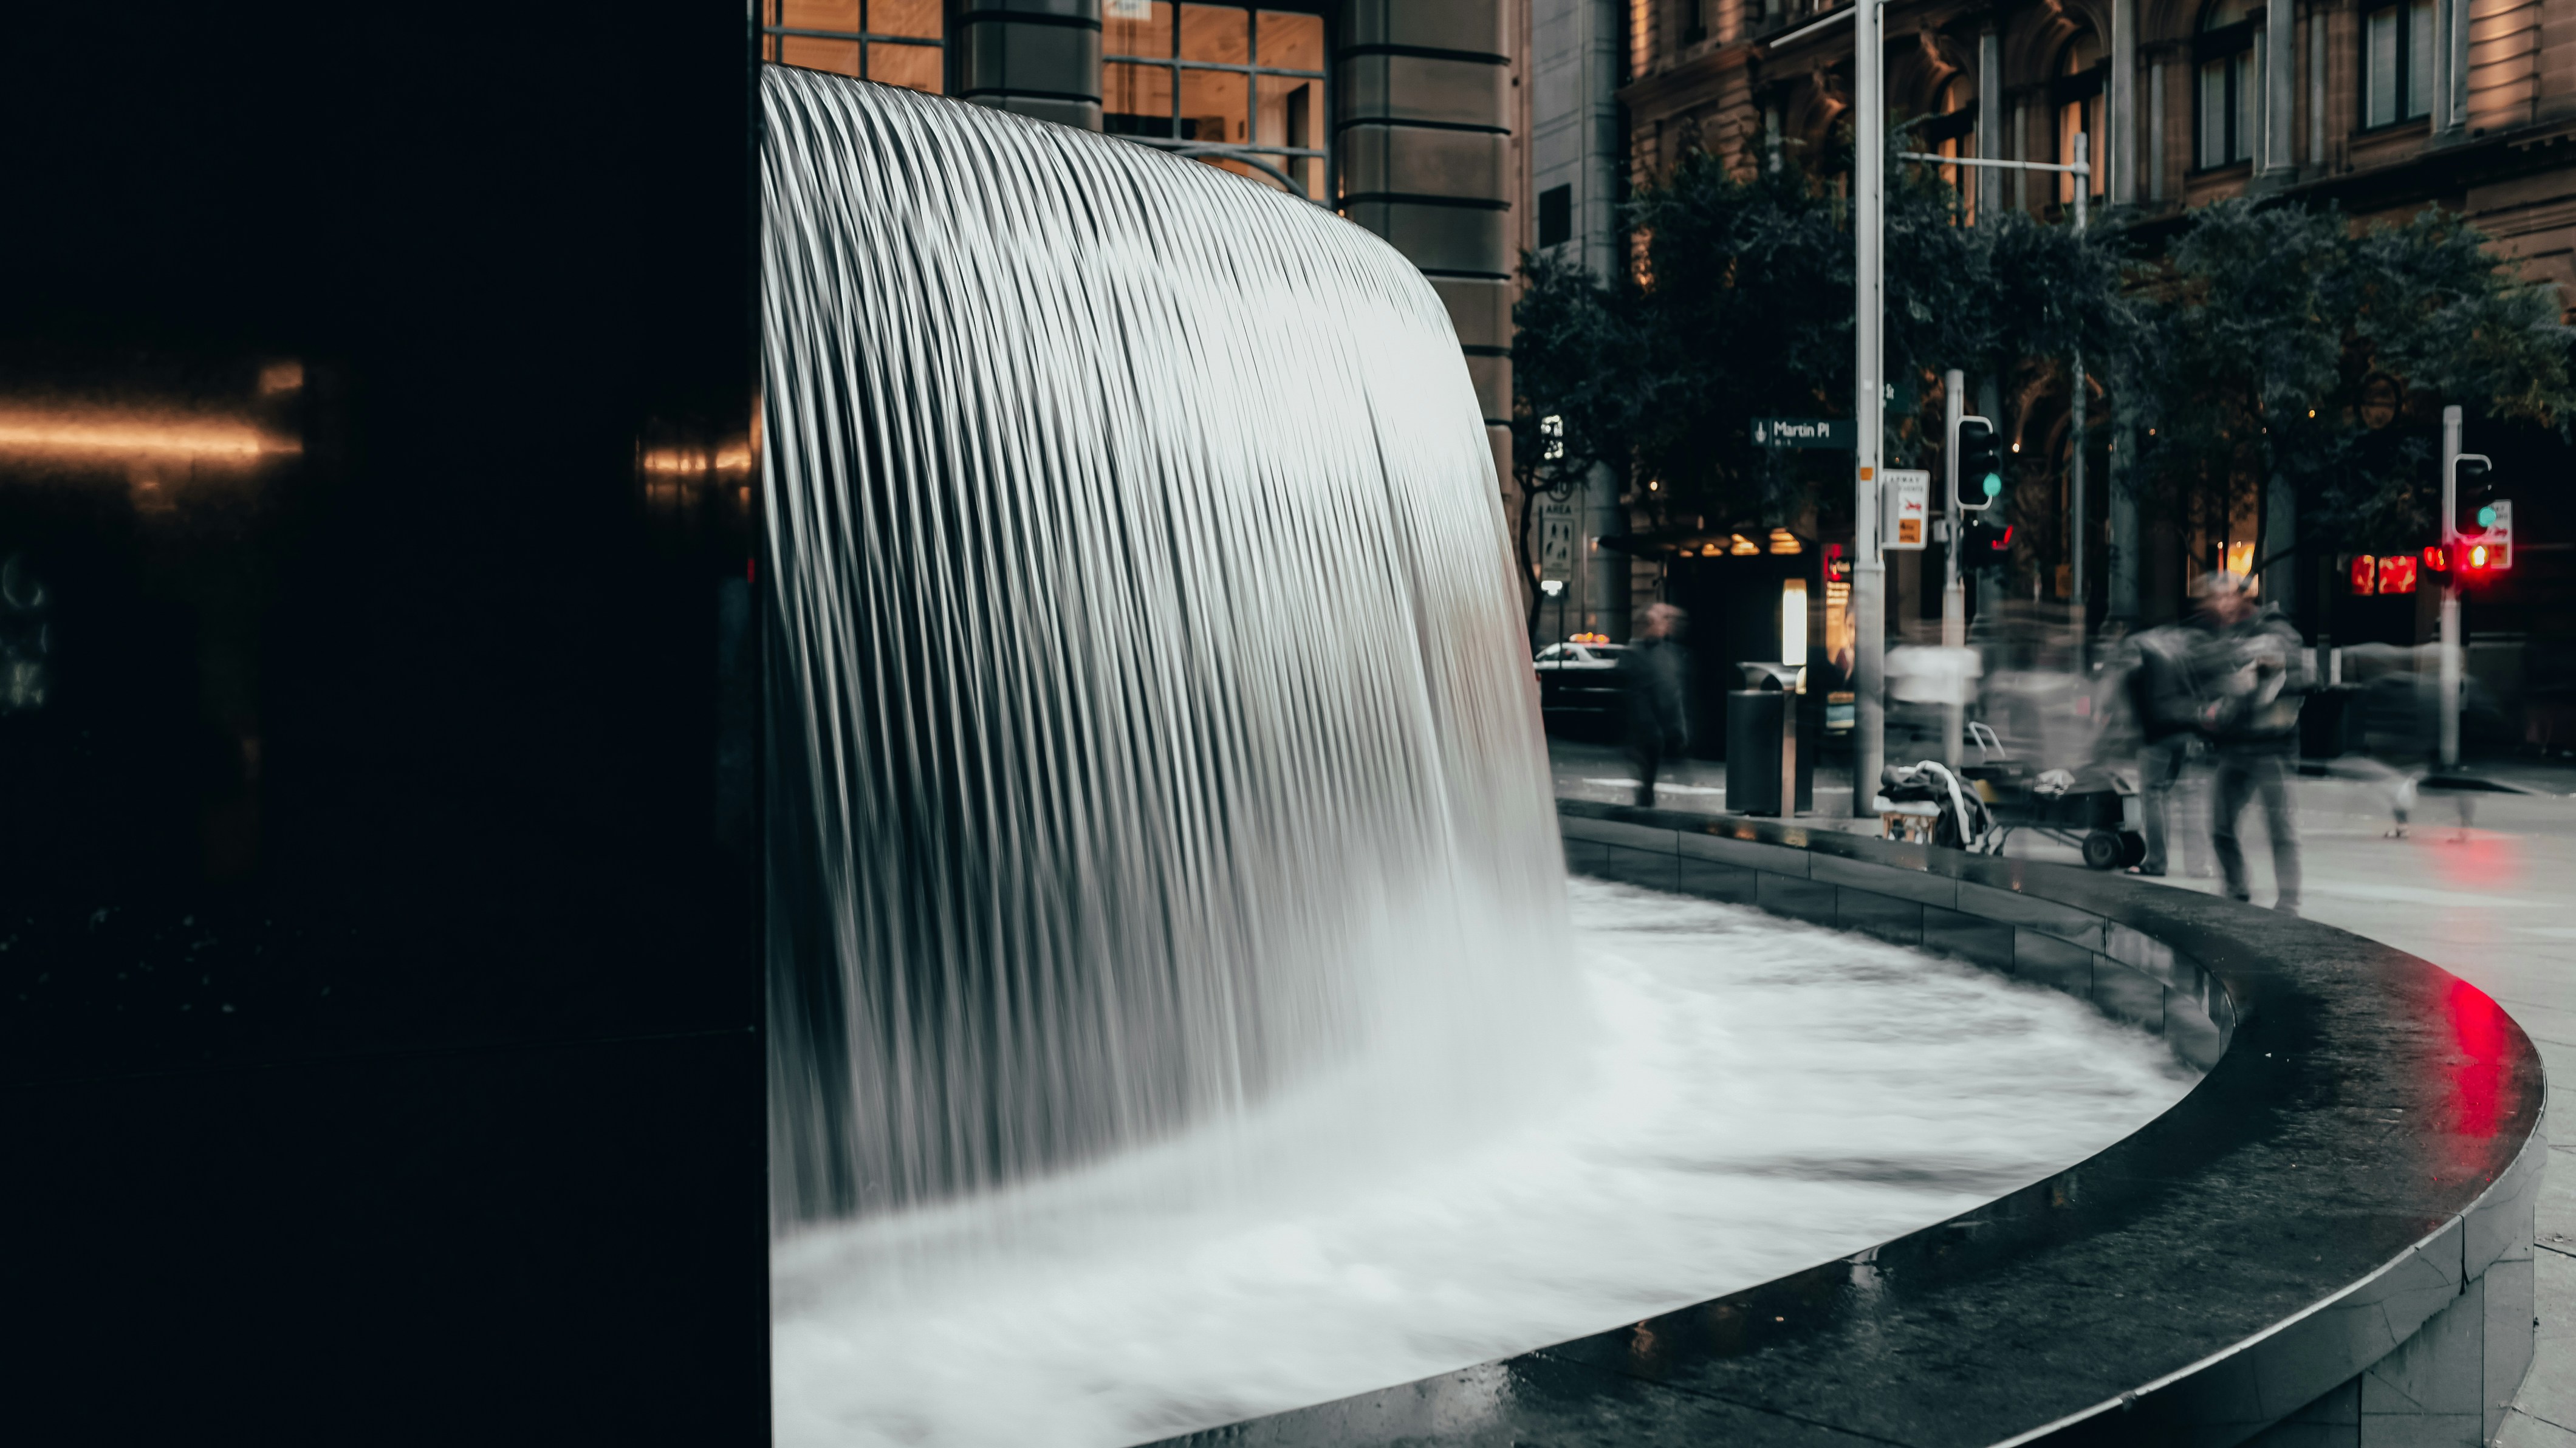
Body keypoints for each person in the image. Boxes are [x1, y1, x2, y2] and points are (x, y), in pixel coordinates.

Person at [2201, 576, 2310, 914]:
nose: (2220, 606)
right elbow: (2218, 680)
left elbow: (2299, 674)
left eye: (2225, 598)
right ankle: (2236, 892)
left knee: (2280, 828)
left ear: (2241, 597)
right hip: (2235, 747)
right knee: (2220, 826)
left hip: (2271, 747)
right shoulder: (2226, 636)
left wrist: (2262, 670)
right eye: (2214, 600)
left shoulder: (2274, 628)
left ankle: (2289, 902)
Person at [2124, 595, 2222, 878]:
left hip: (2159, 737)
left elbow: (2136, 701)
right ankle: (2198, 866)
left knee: (2153, 796)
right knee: (2190, 800)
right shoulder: (2177, 652)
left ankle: (2156, 862)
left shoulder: (2141, 655)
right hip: (2188, 732)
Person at [1619, 603, 1689, 808]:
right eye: (1664, 621)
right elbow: (1666, 693)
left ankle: (1645, 802)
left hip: (1653, 730)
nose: (1668, 626)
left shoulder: (1659, 654)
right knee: (1648, 778)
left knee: (1649, 778)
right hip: (1648, 730)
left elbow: (1670, 693)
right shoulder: (1647, 654)